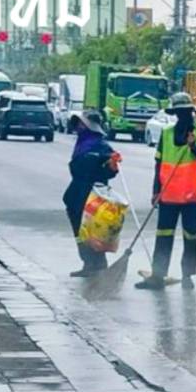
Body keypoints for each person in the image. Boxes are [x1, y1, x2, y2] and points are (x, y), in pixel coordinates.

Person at [135, 93, 196, 291]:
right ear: (175, 114)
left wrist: (194, 147)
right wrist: (155, 191)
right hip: (168, 195)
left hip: (192, 196)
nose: (182, 116)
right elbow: (158, 164)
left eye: (185, 112)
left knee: (191, 237)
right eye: (179, 113)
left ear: (191, 112)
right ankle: (158, 276)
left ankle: (187, 276)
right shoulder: (167, 133)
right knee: (163, 235)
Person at [62, 110, 120, 277]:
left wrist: (112, 165)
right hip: (76, 193)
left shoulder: (101, 146)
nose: (79, 126)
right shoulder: (82, 143)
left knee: (92, 229)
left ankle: (97, 263)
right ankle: (88, 262)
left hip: (93, 194)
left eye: (82, 123)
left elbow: (109, 172)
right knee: (79, 231)